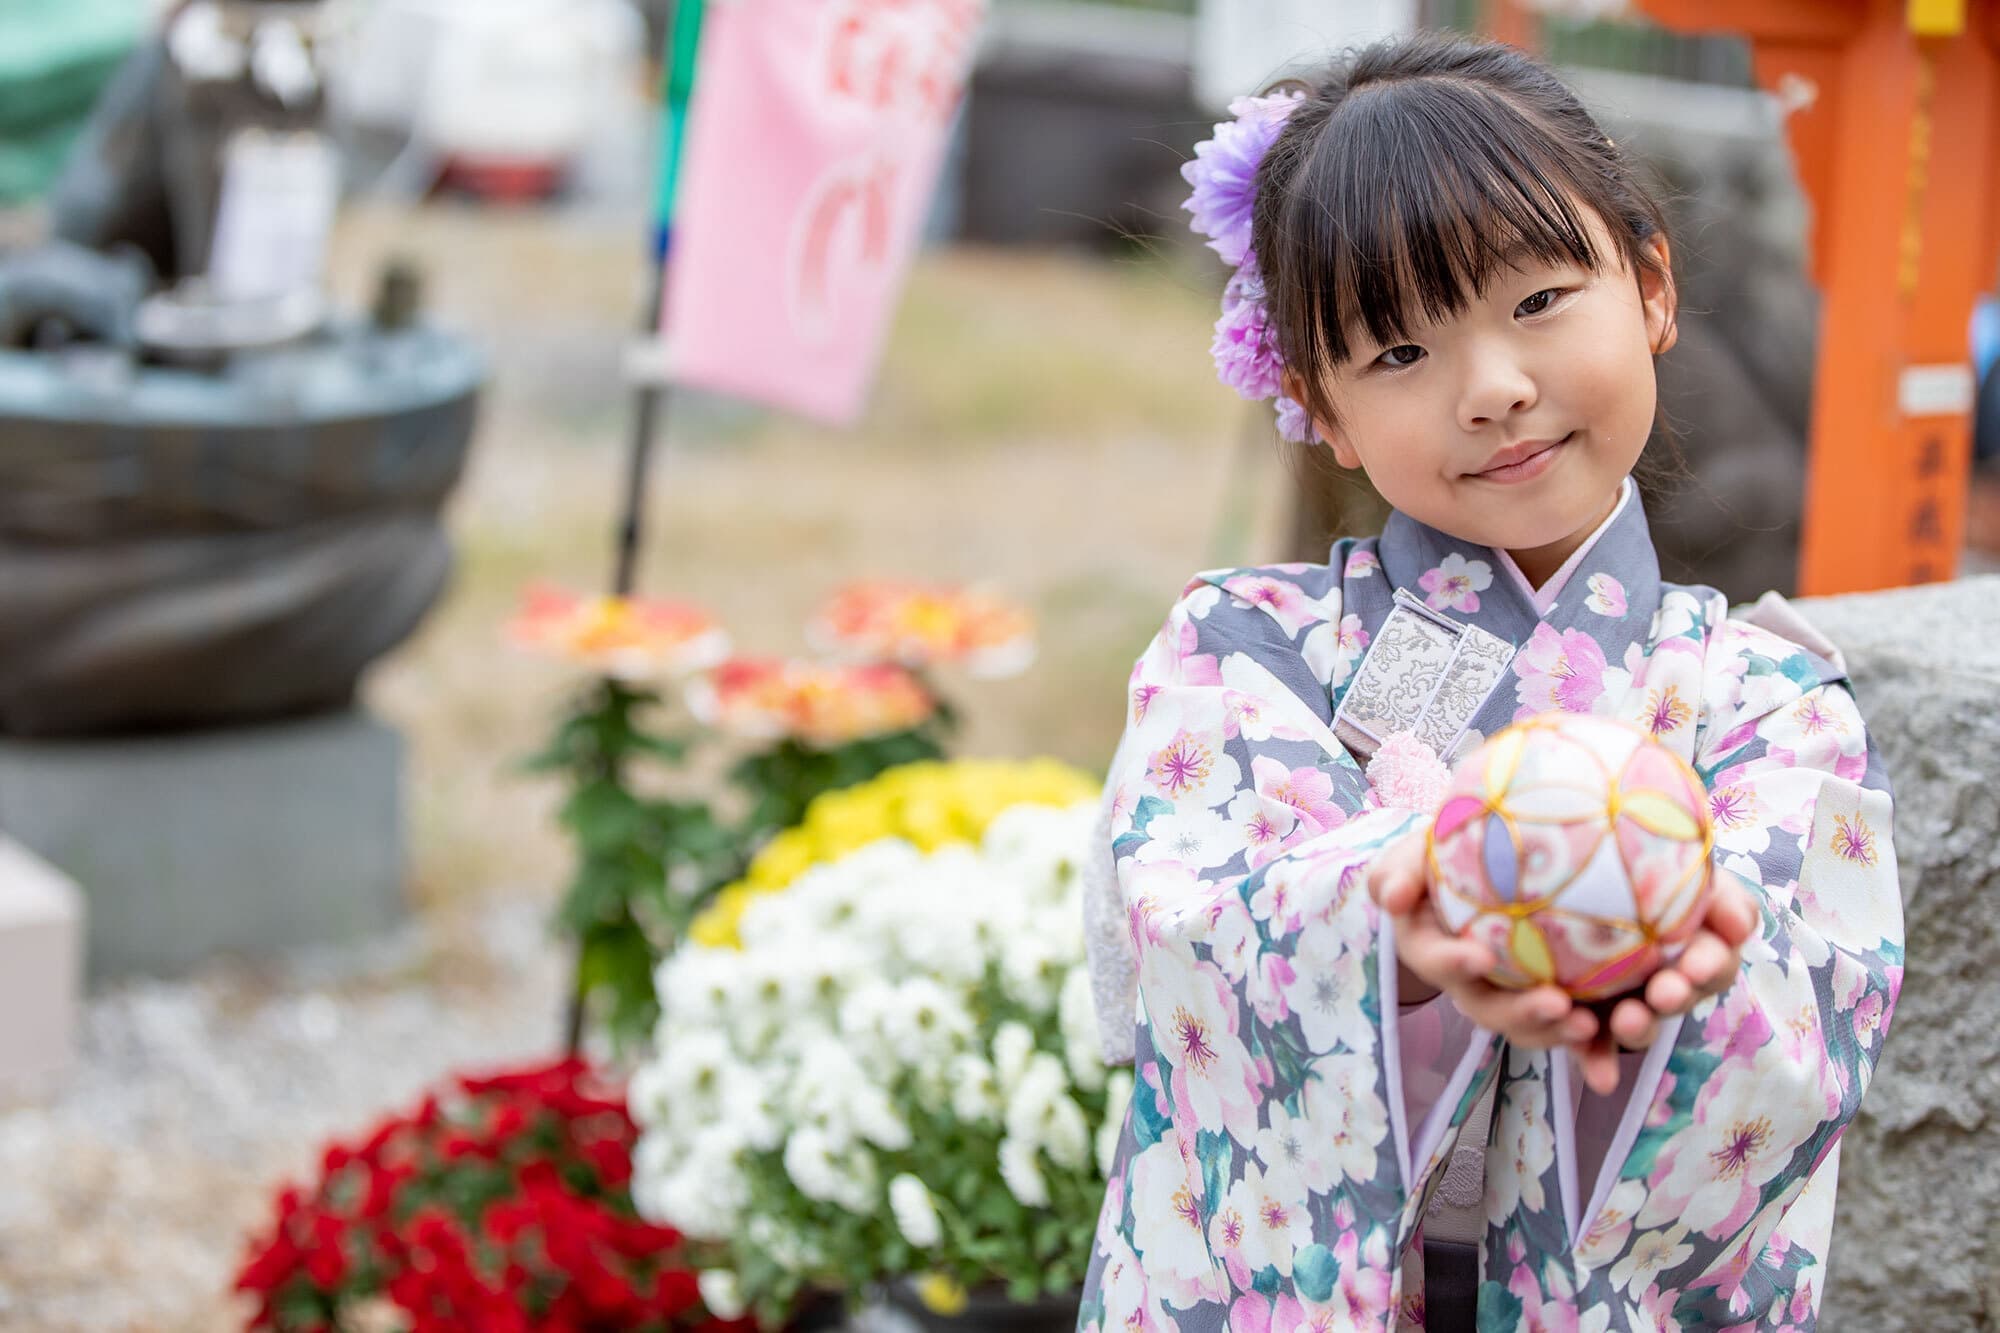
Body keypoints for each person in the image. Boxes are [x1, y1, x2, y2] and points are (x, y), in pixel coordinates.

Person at [1077, 33, 1904, 1333]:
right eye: (1399, 353)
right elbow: (1188, 932)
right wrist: (1399, 929)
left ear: (1650, 287)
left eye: (1538, 301)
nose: (1496, 390)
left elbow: (1813, 1022)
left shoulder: (1771, 696)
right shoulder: (1238, 651)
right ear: (1319, 402)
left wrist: (1655, 958)